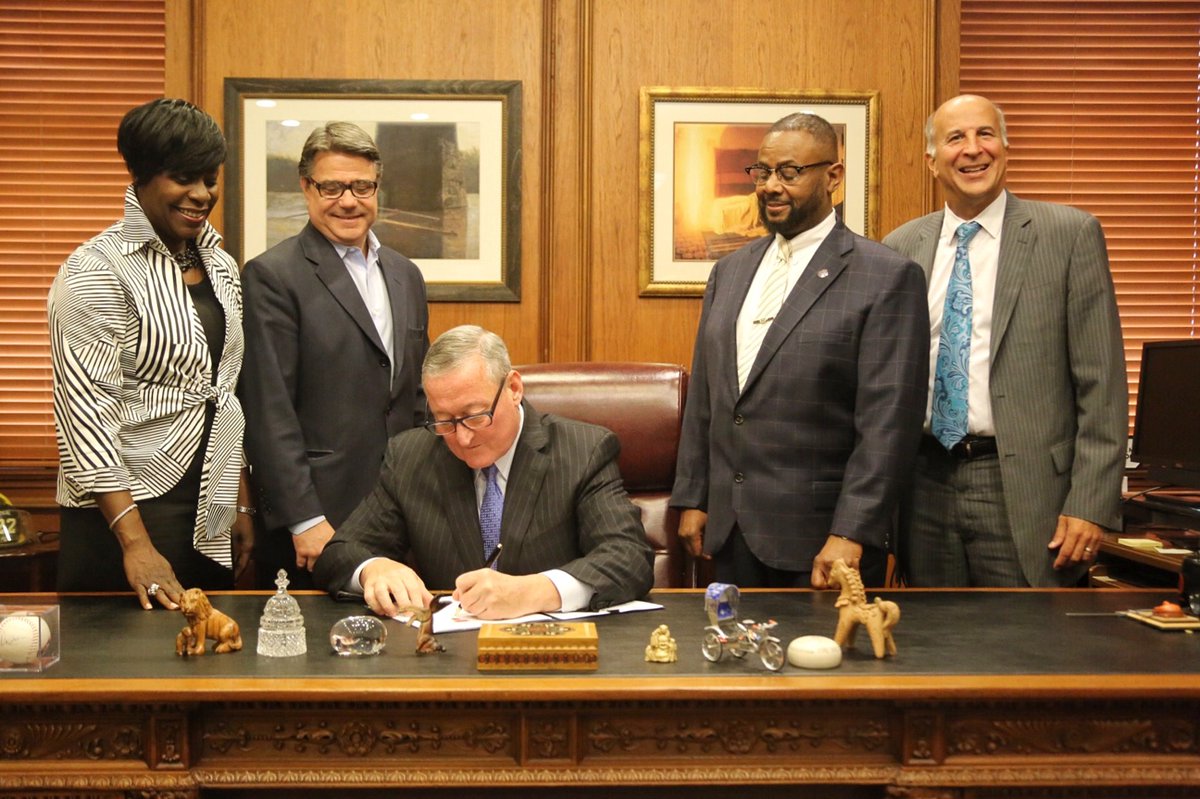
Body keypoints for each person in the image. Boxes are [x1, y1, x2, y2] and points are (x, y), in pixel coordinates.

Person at [670, 113, 930, 589]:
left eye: (789, 173)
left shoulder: (886, 276)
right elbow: (709, 396)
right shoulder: (729, 272)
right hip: (729, 536)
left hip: (822, 543)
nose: (771, 186)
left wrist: (851, 531)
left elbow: (888, 426)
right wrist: (695, 496)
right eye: (762, 172)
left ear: (833, 176)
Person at [882, 94, 1127, 587]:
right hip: (924, 484)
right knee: (935, 648)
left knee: (1029, 648)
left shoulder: (1069, 235)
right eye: (956, 138)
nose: (973, 150)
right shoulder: (900, 248)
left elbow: (1103, 384)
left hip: (1028, 489)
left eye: (985, 134)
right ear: (932, 162)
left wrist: (1090, 504)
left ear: (1006, 149)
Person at [48, 98, 254, 608]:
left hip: (210, 509)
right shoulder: (96, 269)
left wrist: (241, 505)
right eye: (184, 178)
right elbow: (84, 417)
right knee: (121, 680)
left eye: (210, 178)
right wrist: (136, 545)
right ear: (141, 178)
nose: (202, 194)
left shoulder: (223, 266)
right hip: (122, 514)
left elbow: (224, 392)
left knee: (208, 670)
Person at [313, 325, 654, 619]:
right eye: (444, 421)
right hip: (446, 661)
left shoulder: (582, 450)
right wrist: (373, 568)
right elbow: (338, 553)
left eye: (475, 416)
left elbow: (628, 558)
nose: (462, 437)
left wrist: (534, 591)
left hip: (552, 658)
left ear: (514, 389)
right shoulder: (410, 456)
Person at [240, 122, 429, 590]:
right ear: (306, 187)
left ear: (376, 188)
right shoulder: (273, 276)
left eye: (362, 186)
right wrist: (303, 519)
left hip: (403, 512)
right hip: (318, 521)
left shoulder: (406, 274)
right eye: (332, 186)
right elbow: (268, 409)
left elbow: (419, 393)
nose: (348, 200)